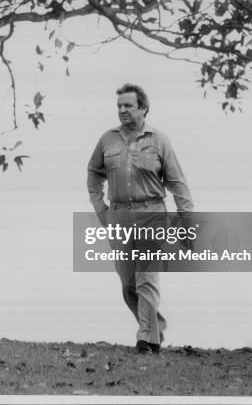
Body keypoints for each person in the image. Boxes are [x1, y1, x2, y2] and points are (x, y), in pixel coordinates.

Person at [87, 83, 193, 354]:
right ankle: (155, 326)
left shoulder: (160, 141)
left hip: (152, 215)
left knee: (147, 277)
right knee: (128, 284)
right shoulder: (107, 140)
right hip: (119, 215)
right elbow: (93, 174)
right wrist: (102, 210)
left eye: (128, 105)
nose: (122, 110)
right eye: (119, 106)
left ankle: (147, 339)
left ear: (143, 108)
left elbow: (178, 183)